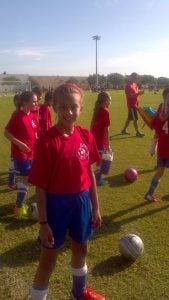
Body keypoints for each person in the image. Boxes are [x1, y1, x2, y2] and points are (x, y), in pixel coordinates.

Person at [28, 83, 105, 300]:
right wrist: (43, 223)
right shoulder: (46, 141)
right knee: (48, 259)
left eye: (74, 107)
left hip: (82, 203)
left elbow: (89, 174)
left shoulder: (85, 136)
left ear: (81, 108)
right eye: (63, 107)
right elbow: (40, 187)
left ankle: (78, 294)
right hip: (56, 205)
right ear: (54, 107)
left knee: (81, 249)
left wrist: (96, 207)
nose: (69, 112)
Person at [4, 91, 38, 218]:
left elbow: (34, 134)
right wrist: (19, 144)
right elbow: (6, 133)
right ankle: (19, 206)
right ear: (25, 102)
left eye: (36, 101)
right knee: (27, 179)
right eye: (34, 101)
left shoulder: (33, 115)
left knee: (27, 180)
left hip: (32, 154)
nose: (36, 103)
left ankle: (19, 205)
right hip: (21, 155)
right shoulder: (17, 116)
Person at [145, 87, 169, 202]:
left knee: (160, 171)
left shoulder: (160, 108)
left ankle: (150, 193)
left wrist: (153, 146)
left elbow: (157, 130)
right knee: (160, 171)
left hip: (162, 147)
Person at [90, 91, 111, 186]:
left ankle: (95, 176)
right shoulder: (105, 111)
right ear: (106, 101)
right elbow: (107, 130)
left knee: (98, 159)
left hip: (94, 138)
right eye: (110, 100)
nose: (110, 102)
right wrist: (108, 145)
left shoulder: (97, 109)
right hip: (100, 140)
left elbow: (92, 124)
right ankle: (98, 179)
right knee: (100, 160)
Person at [121, 72, 145, 137]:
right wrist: (138, 94)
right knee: (135, 119)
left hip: (136, 104)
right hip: (132, 105)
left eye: (136, 78)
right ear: (131, 77)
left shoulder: (135, 84)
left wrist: (140, 92)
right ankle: (138, 132)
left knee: (129, 118)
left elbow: (137, 91)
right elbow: (129, 96)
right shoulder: (128, 86)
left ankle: (124, 130)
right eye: (135, 77)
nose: (136, 79)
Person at [8, 94, 21, 189]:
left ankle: (11, 182)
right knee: (13, 163)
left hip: (21, 144)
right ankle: (11, 182)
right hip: (17, 144)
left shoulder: (20, 113)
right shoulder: (16, 114)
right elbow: (9, 131)